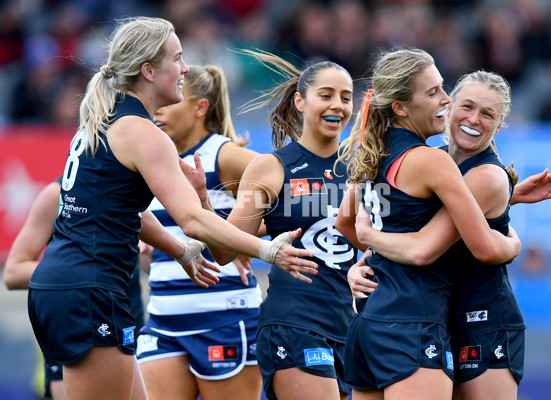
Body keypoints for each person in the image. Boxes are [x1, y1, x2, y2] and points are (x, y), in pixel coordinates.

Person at [26, 17, 316, 400]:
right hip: (90, 289)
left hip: (68, 285)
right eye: (177, 59)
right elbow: (193, 220)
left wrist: (180, 251)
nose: (184, 69)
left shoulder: (102, 120)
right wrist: (268, 250)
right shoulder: (143, 133)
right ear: (148, 70)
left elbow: (123, 209)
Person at [345, 70, 551, 400]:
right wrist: (363, 263)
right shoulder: (435, 162)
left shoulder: (482, 175)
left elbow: (432, 244)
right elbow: (410, 229)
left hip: (483, 323)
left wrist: (511, 240)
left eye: (488, 114)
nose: (474, 119)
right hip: (438, 318)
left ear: (499, 125)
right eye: (467, 106)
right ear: (449, 107)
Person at [191, 49, 358, 400]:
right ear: (300, 101)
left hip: (353, 328)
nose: (337, 106)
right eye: (325, 96)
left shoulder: (362, 169)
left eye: (345, 98)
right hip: (295, 324)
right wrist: (203, 202)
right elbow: (223, 250)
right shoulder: (271, 168)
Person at [136, 64, 263, 400]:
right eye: (157, 102)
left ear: (200, 107)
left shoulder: (224, 156)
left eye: (170, 102)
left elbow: (285, 205)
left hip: (225, 319)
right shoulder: (153, 158)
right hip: (163, 319)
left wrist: (237, 238)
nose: (158, 111)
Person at [3, 178, 150, 400]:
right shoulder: (57, 195)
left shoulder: (130, 193)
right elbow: (13, 272)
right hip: (80, 329)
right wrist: (76, 271)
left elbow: (157, 263)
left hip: (130, 332)